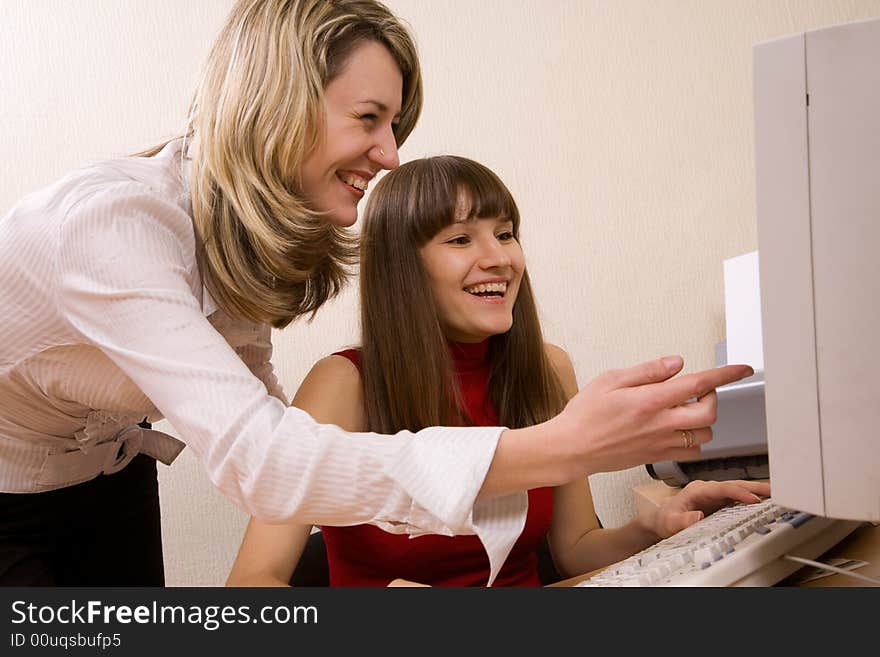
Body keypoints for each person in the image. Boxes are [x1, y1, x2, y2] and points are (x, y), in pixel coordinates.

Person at [0, 0, 752, 586]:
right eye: (369, 119)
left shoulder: (237, 245)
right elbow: (265, 464)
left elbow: (273, 436)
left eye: (394, 124)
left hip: (106, 470)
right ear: (280, 102)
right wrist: (556, 445)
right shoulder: (112, 227)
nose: (391, 154)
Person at [226, 155, 769, 587]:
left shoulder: (548, 368)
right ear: (401, 269)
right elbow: (252, 582)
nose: (500, 258)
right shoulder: (343, 385)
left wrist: (654, 528)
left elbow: (575, 549)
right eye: (461, 239)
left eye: (505, 233)